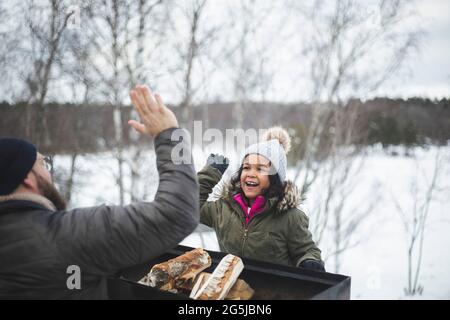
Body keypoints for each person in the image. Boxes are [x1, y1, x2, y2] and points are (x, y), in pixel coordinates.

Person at [0, 85, 199, 299]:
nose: (49, 173)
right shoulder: (65, 237)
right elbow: (177, 214)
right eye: (43, 165)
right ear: (27, 178)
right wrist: (169, 134)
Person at [198, 127, 325, 271]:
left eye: (260, 169)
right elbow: (190, 207)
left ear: (275, 178)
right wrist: (208, 175)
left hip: (272, 290)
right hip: (230, 288)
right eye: (246, 168)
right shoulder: (223, 209)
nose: (251, 174)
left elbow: (307, 250)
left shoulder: (290, 217)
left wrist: (310, 261)